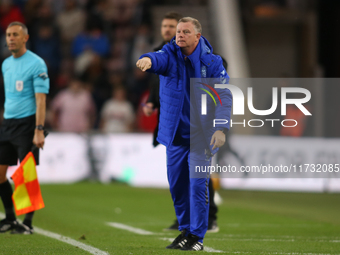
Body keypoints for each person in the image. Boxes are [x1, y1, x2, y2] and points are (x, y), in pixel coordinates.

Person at [136, 17, 231, 251]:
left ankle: (197, 236)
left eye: (185, 32)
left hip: (203, 135)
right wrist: (146, 59)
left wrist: (221, 127)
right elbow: (156, 58)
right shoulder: (168, 55)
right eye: (178, 31)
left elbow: (224, 96)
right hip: (176, 135)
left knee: (198, 185)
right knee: (177, 186)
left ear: (197, 36)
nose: (179, 35)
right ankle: (186, 231)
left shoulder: (213, 63)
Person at [0, 21, 49, 234]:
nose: (10, 38)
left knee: (26, 174)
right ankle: (10, 218)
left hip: (28, 124)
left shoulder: (37, 64)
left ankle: (27, 223)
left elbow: (40, 100)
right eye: (8, 35)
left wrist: (39, 128)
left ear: (25, 38)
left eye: (15, 35)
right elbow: (8, 97)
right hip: (8, 123)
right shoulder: (6, 64)